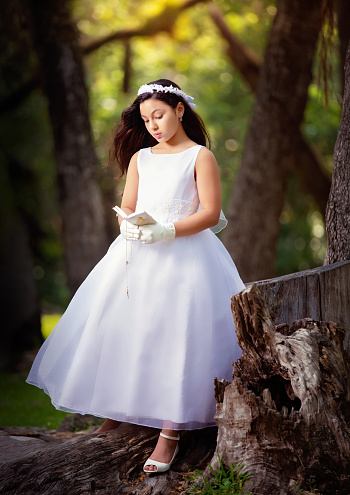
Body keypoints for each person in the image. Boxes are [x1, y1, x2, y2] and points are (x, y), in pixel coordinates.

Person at [26, 78, 245, 474]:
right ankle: (118, 411)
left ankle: (170, 429)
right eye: (146, 120)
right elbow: (129, 205)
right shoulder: (142, 158)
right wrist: (129, 225)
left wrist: (169, 230)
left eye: (159, 115)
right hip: (138, 256)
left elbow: (211, 213)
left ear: (180, 109)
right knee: (125, 329)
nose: (153, 125)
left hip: (186, 256)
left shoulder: (199, 157)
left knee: (176, 335)